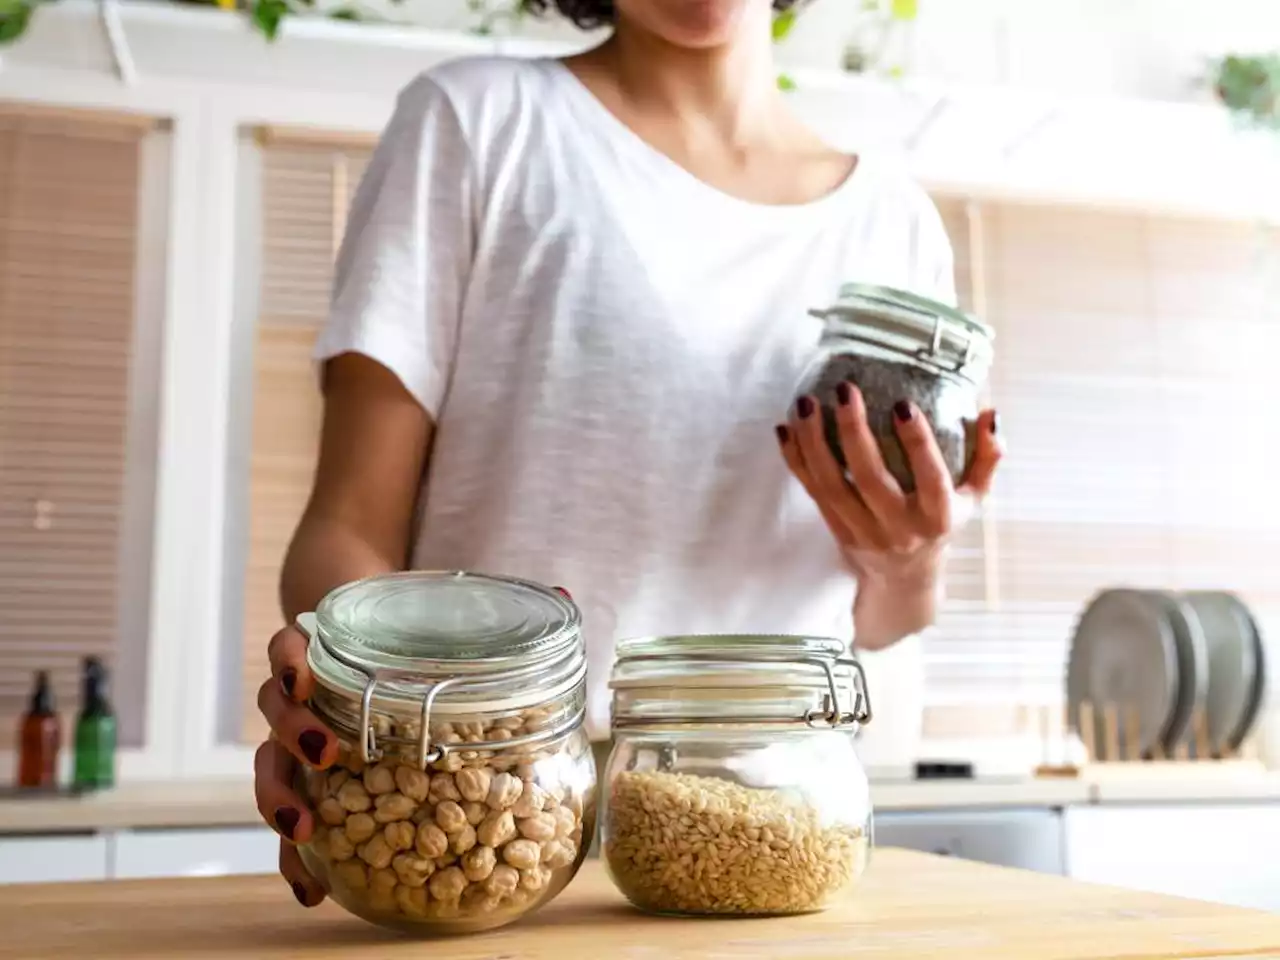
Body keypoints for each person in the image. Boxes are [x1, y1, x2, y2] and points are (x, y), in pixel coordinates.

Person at [253, 0, 1003, 907]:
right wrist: (354, 703)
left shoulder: (893, 219)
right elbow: (345, 528)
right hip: (500, 806)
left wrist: (910, 554)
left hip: (783, 815)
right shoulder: (476, 123)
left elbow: (882, 618)